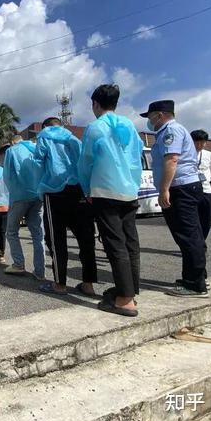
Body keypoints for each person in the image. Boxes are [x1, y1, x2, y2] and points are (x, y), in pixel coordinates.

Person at [79, 85, 142, 316]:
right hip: (129, 191)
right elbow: (136, 157)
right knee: (130, 243)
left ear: (96, 103)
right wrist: (132, 185)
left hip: (105, 191)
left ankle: (125, 300)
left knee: (114, 244)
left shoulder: (94, 128)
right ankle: (130, 290)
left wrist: (86, 189)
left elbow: (85, 163)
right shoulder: (129, 125)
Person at [141, 100, 208, 298]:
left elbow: (172, 160)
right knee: (191, 234)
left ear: (160, 115)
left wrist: (164, 190)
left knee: (187, 235)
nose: (149, 121)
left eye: (150, 116)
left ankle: (194, 284)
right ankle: (197, 278)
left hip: (180, 188)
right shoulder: (167, 132)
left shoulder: (171, 131)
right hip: (184, 186)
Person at [35, 117, 97, 295]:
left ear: (45, 126)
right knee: (86, 239)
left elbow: (38, 162)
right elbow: (85, 163)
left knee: (56, 240)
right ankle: (88, 284)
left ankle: (60, 284)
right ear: (60, 124)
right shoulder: (74, 138)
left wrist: (40, 186)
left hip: (54, 192)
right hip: (79, 191)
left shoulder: (44, 136)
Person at [2, 135, 45, 280]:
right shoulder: (35, 148)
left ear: (12, 141)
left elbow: (8, 175)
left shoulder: (12, 150)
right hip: (38, 194)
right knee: (38, 234)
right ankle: (40, 271)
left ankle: (19, 264)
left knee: (12, 231)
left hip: (20, 195)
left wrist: (13, 192)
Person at [190, 130, 211, 241]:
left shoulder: (209, 155)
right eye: (197, 142)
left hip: (206, 191)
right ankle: (195, 245)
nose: (200, 145)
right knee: (193, 220)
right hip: (190, 190)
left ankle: (201, 241)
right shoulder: (184, 154)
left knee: (206, 219)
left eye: (203, 142)